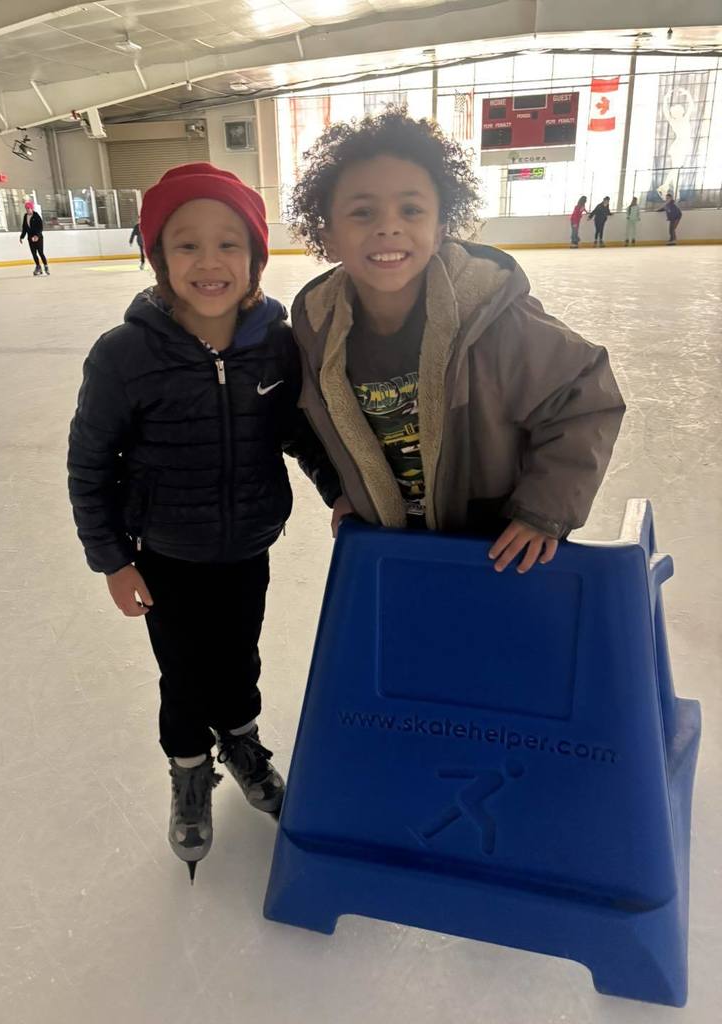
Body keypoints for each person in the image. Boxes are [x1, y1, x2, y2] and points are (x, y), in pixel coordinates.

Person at [67, 163, 341, 881]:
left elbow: (300, 434)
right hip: (165, 553)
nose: (209, 262)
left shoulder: (275, 345)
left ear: (256, 257)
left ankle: (242, 743)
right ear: (158, 258)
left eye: (229, 244)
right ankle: (190, 771)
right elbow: (90, 466)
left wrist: (340, 492)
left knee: (240, 658)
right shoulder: (124, 355)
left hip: (248, 543)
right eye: (186, 246)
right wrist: (112, 560)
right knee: (184, 675)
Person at [287, 110, 625, 575]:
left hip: (495, 550)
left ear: (441, 226)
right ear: (327, 234)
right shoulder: (317, 329)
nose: (388, 226)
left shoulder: (492, 317)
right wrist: (339, 491)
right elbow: (310, 424)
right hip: (391, 548)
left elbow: (583, 396)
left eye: (411, 209)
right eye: (362, 212)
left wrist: (542, 512)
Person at [20, 199, 49, 275]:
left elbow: (40, 227)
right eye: (26, 209)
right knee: (33, 253)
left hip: (38, 237)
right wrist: (22, 236)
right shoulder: (25, 216)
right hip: (30, 238)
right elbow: (24, 227)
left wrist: (37, 235)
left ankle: (46, 266)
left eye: (29, 208)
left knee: (40, 252)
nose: (27, 210)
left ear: (31, 208)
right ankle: (38, 267)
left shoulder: (36, 216)